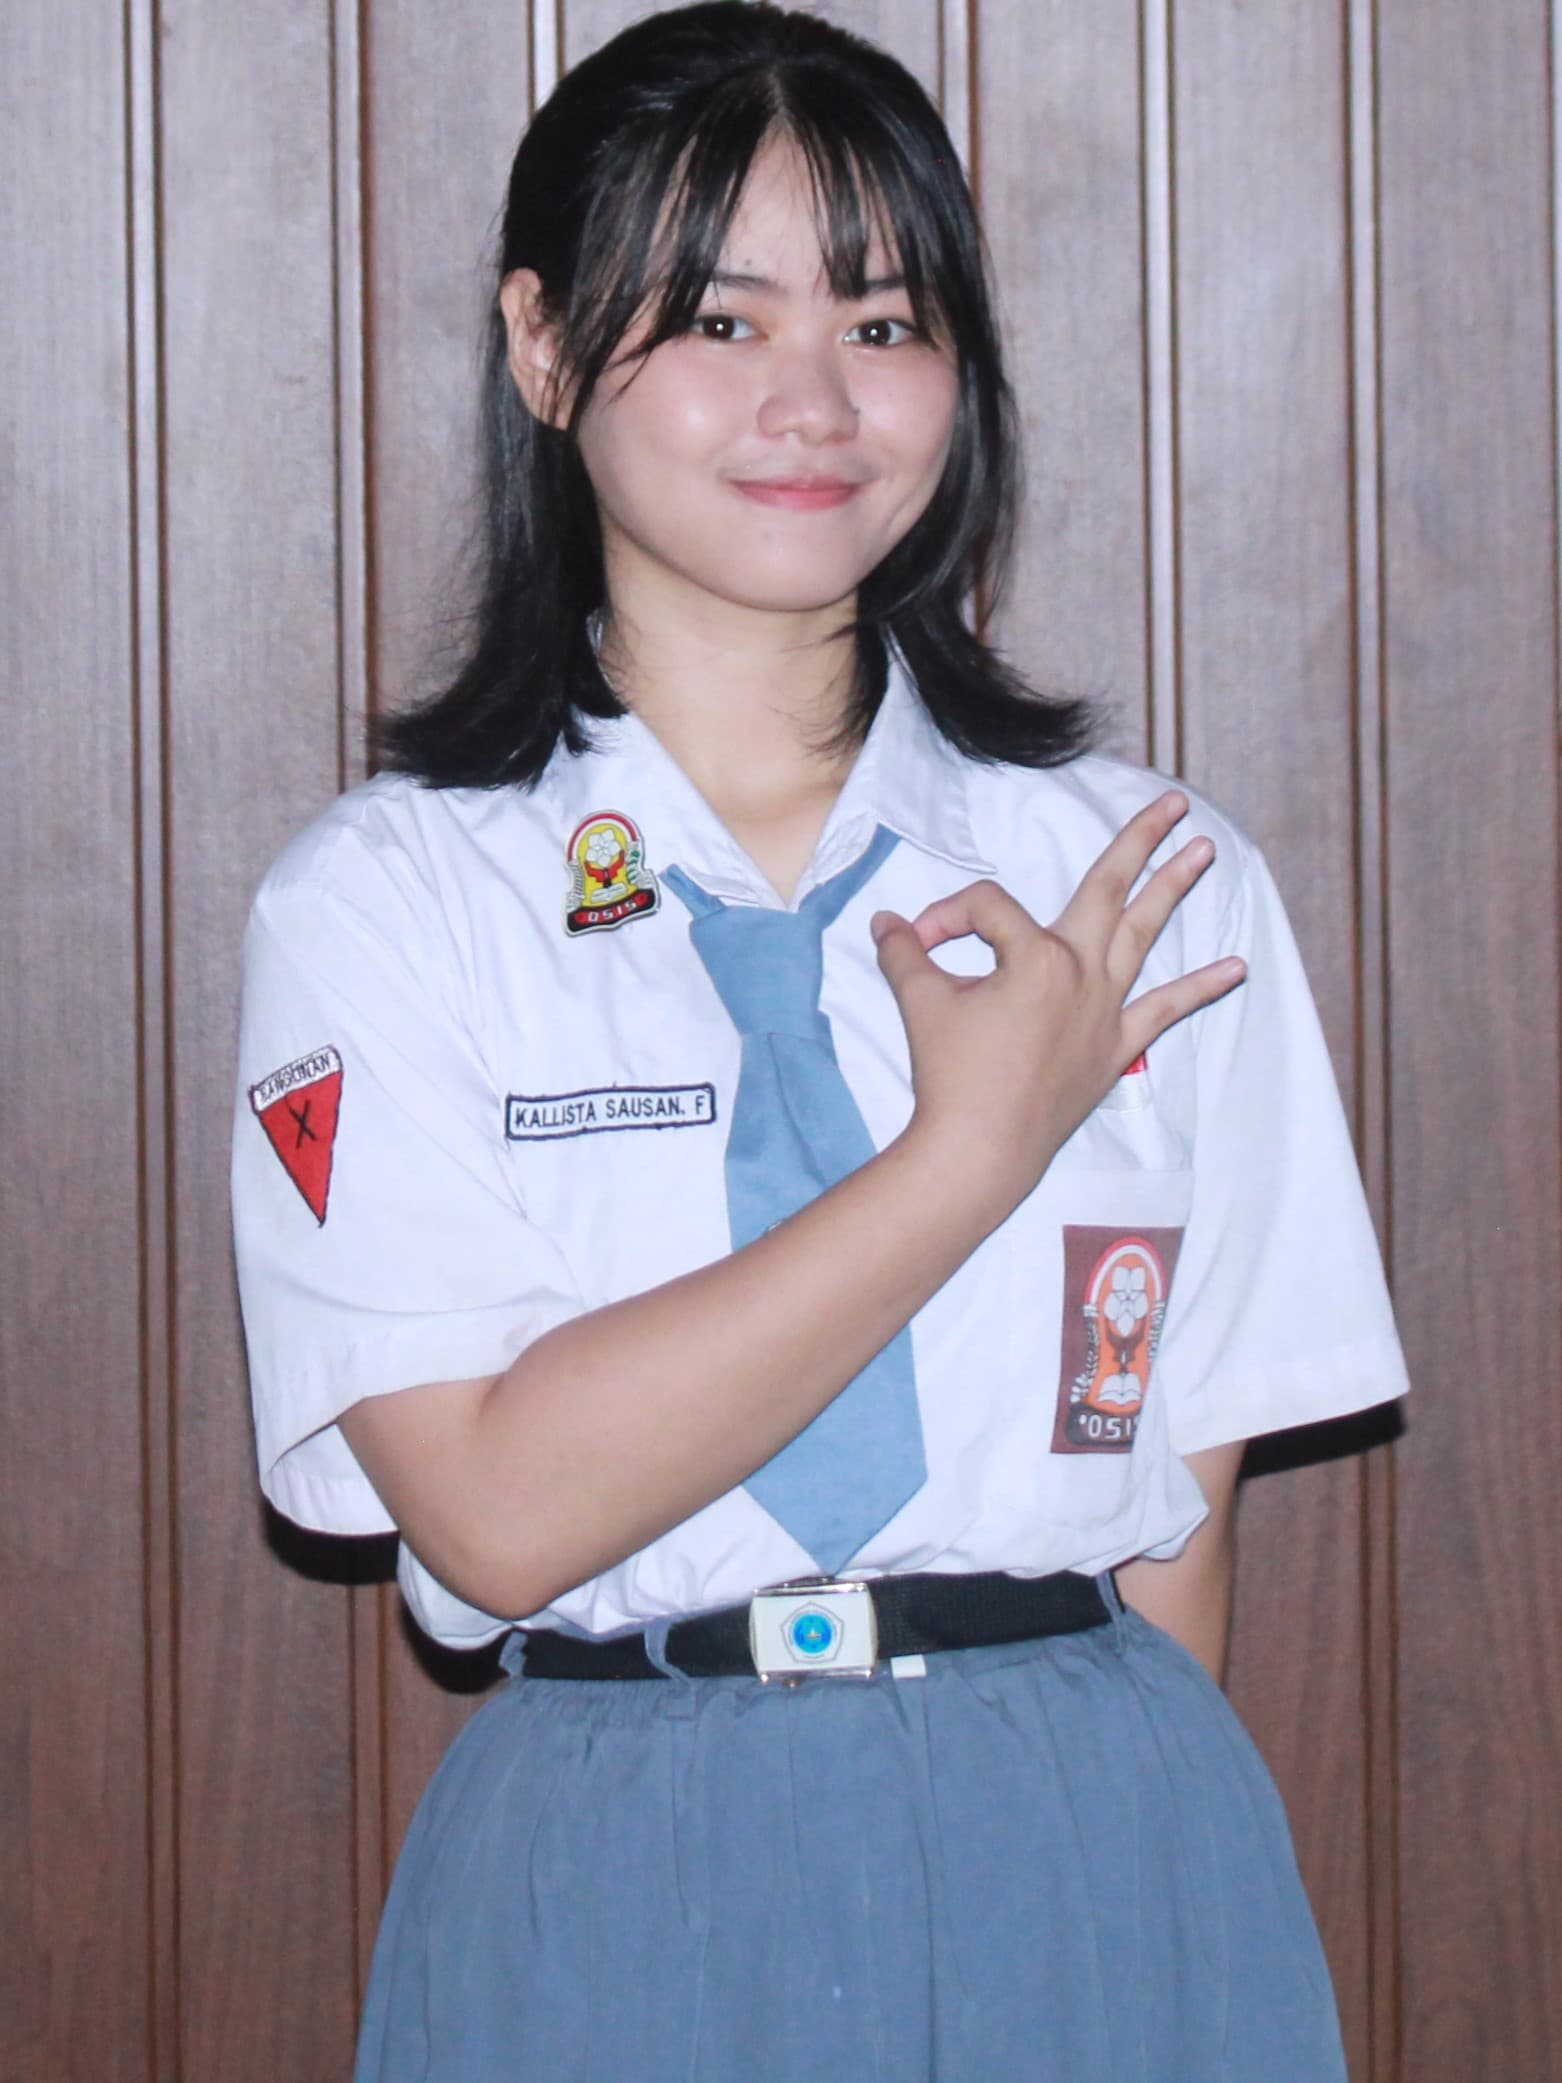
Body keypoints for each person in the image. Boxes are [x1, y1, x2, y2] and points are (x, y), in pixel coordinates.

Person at [231, 6, 1409, 2078]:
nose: (814, 401)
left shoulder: (1141, 878)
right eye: (718, 318)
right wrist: (970, 1153)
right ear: (539, 345)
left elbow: (1182, 1509)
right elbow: (495, 1512)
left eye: (882, 324)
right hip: (615, 1847)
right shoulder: (389, 903)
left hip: (1096, 1826)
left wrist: (1133, 1880)